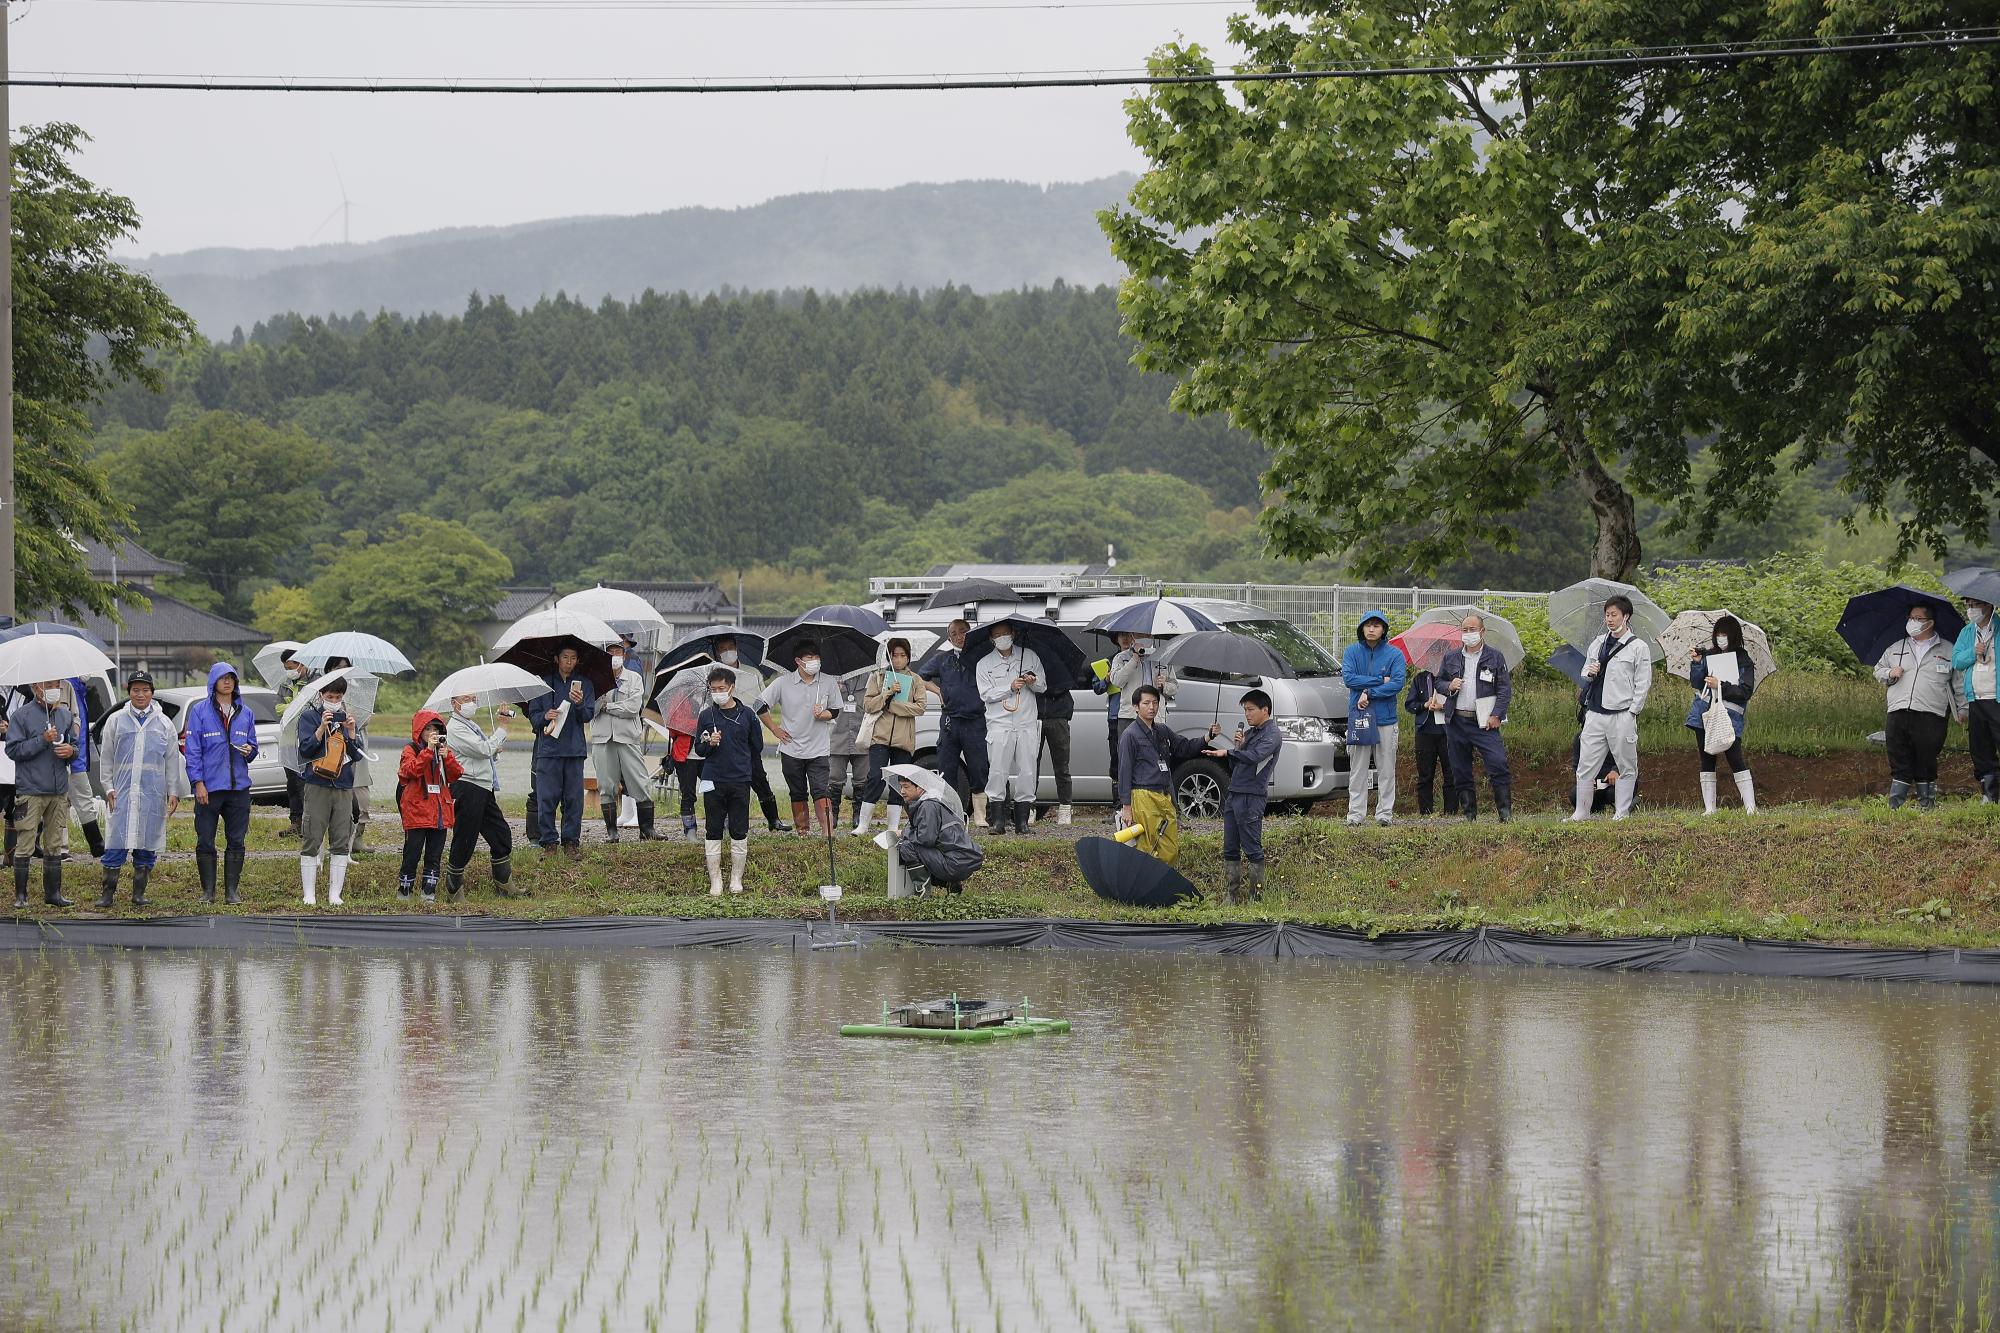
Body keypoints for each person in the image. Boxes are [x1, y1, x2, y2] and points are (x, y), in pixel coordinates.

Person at [97, 672, 185, 909]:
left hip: (152, 792)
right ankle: (107, 894)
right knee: (116, 842)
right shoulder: (116, 720)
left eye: (145, 690)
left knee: (147, 842)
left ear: (152, 693)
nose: (141, 695)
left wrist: (173, 791)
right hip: (122, 792)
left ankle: (139, 893)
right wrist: (108, 787)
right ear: (129, 693)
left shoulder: (163, 723)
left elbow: (171, 761)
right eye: (136, 690)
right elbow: (106, 758)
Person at [1571, 596, 1655, 821]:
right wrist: (1591, 672)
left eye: (1614, 614)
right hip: (1596, 712)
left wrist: (1633, 712)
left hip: (1622, 713)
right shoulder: (1598, 643)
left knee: (1627, 764)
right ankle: (1581, 812)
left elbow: (1643, 682)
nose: (1609, 619)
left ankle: (1622, 811)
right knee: (1586, 764)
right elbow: (1584, 672)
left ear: (1626, 616)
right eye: (1607, 615)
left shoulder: (1639, 647)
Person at [183, 661, 259, 904]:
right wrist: (198, 782)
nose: (227, 682)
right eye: (222, 677)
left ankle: (232, 892)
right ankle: (208, 892)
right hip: (210, 788)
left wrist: (250, 751)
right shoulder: (199, 711)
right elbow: (192, 750)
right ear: (213, 682)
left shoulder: (245, 713)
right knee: (205, 839)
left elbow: (253, 747)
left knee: (236, 840)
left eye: (232, 678)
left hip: (238, 788)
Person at [1116, 684, 1215, 866]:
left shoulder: (1161, 730)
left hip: (1164, 795)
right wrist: (1127, 807)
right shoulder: (1129, 735)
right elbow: (1124, 771)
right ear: (1136, 707)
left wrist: (1207, 737)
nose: (1152, 707)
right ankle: (1145, 890)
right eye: (1146, 703)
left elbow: (1184, 748)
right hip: (1143, 795)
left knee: (1169, 846)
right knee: (1148, 846)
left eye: (1155, 703)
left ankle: (1164, 886)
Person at [1203, 688, 1283, 902]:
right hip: (1235, 792)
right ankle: (1232, 894)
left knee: (1251, 846)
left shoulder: (1272, 734)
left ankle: (1256, 896)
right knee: (1230, 845)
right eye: (1245, 710)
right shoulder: (1250, 733)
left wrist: (1229, 751)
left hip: (1252, 795)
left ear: (1265, 710)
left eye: (1250, 710)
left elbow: (1256, 756)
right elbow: (1237, 763)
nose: (1247, 715)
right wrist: (1238, 746)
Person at [6, 680, 80, 908]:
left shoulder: (65, 715)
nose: (53, 689)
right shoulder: (21, 715)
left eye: (56, 684)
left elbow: (74, 746)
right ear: (36, 687)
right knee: (26, 841)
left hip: (58, 790)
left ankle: (53, 894)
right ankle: (21, 896)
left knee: (55, 842)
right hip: (31, 789)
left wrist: (71, 751)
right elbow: (13, 749)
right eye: (48, 685)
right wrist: (42, 740)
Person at [1874, 601, 1954, 810]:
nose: (1913, 622)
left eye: (1918, 619)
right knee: (1898, 756)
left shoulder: (1947, 649)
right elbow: (1878, 669)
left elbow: (1959, 683)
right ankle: (1896, 805)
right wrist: (1889, 673)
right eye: (1910, 618)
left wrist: (1963, 709)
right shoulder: (1897, 647)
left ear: (1930, 623)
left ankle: (1927, 804)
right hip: (1899, 710)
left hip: (1931, 712)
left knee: (1926, 758)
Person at [1436, 613, 1513, 822]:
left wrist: (1496, 714)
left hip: (1484, 721)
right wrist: (1449, 686)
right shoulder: (1451, 657)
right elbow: (1439, 682)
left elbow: (1505, 689)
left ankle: (1505, 813)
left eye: (1472, 629)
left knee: (1497, 763)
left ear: (1482, 632)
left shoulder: (1495, 657)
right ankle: (1470, 814)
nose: (1468, 634)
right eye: (1465, 630)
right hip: (1456, 721)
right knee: (1460, 768)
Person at [692, 666, 762, 895]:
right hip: (712, 779)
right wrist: (709, 743)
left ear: (732, 687)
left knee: (739, 828)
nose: (718, 692)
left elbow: (757, 746)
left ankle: (735, 879)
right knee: (713, 828)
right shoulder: (706, 716)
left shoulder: (748, 715)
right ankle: (716, 881)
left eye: (721, 688)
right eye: (713, 689)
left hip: (740, 779)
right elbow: (699, 750)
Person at [759, 640, 839, 839]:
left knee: (821, 789)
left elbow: (836, 710)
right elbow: (759, 705)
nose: (815, 662)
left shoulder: (828, 681)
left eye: (817, 658)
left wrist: (824, 714)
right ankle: (803, 830)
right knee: (797, 791)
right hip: (791, 748)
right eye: (809, 658)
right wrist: (775, 729)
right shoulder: (783, 682)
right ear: (798, 661)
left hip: (819, 747)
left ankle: (827, 832)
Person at [853, 639, 928, 838]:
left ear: (908, 657)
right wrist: (887, 694)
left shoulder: (916, 680)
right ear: (889, 656)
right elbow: (868, 705)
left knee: (899, 782)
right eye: (895, 655)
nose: (899, 659)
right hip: (880, 737)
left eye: (903, 655)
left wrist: (894, 706)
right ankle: (863, 825)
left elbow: (920, 707)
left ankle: (893, 827)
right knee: (875, 778)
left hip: (903, 740)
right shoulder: (877, 677)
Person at [921, 619, 991, 829]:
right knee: (946, 767)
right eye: (955, 633)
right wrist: (937, 691)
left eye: (963, 632)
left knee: (979, 767)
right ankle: (951, 814)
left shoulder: (982, 657)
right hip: (950, 721)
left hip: (975, 720)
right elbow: (921, 676)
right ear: (949, 637)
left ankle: (980, 814)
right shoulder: (942, 659)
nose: (960, 636)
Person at [528, 646, 598, 859]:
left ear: (578, 661)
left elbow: (587, 715)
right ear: (557, 658)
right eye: (565, 657)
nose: (569, 661)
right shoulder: (542, 684)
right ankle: (549, 842)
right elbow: (533, 716)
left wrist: (578, 704)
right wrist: (545, 716)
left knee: (573, 799)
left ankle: (571, 842)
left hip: (574, 749)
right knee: (547, 798)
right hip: (548, 750)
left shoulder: (585, 684)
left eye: (573, 658)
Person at [444, 693, 515, 899]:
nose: (471, 703)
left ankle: (504, 885)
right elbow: (483, 749)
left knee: (500, 834)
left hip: (483, 786)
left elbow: (484, 751)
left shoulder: (469, 724)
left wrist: (493, 748)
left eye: (473, 699)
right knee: (465, 838)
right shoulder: (454, 728)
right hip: (468, 786)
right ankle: (454, 890)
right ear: (454, 702)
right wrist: (502, 727)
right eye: (465, 699)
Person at [296, 674, 360, 905]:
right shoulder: (309, 717)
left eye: (338, 696)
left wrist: (351, 732)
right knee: (312, 836)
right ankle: (309, 894)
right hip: (317, 784)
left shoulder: (347, 719)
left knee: (341, 839)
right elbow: (305, 749)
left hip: (343, 785)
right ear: (321, 695)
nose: (334, 700)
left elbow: (356, 755)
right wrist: (321, 728)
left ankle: (335, 894)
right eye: (330, 696)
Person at [977, 625, 1046, 835]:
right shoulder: (984, 664)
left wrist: (1032, 682)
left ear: (1013, 634)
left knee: (1027, 770)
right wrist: (1009, 687)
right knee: (997, 770)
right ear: (991, 638)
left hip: (1026, 722)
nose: (1002, 638)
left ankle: (1022, 822)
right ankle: (997, 820)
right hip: (1000, 724)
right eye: (997, 635)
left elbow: (1043, 686)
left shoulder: (1030, 656)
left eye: (1005, 634)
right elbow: (985, 694)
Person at [1686, 614, 1757, 815]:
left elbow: (1745, 690)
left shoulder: (1743, 659)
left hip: (1730, 716)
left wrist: (1721, 686)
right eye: (1718, 634)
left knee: (1735, 757)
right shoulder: (1708, 655)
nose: (1720, 638)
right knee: (1706, 757)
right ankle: (1710, 809)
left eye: (1725, 634)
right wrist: (1698, 663)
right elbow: (1696, 683)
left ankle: (1750, 808)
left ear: (1733, 636)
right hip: (1704, 713)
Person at [1342, 611, 1407, 826]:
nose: (1371, 629)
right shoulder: (1351, 651)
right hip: (1359, 716)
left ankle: (1384, 814)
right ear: (1361, 628)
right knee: (1358, 768)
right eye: (1368, 625)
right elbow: (1349, 679)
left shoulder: (1394, 654)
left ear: (1384, 630)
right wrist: (1379, 680)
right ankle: (1355, 815)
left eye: (1377, 625)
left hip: (1386, 718)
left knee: (1386, 768)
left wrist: (1369, 692)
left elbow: (1397, 684)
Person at [395, 711, 463, 902]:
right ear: (419, 731)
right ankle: (404, 891)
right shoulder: (411, 749)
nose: (432, 733)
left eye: (436, 729)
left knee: (434, 854)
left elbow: (456, 774)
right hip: (417, 810)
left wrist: (446, 756)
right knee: (412, 853)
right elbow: (409, 771)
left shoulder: (442, 750)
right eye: (428, 729)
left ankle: (428, 893)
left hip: (439, 811)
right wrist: (427, 752)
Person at [592, 641, 656, 843]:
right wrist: (604, 704)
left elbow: (632, 708)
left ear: (625, 655)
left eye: (617, 651)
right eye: (609, 652)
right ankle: (612, 832)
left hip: (628, 736)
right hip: (603, 737)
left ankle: (647, 829)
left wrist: (608, 706)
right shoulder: (595, 679)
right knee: (606, 784)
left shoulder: (634, 678)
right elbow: (591, 709)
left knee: (639, 780)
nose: (614, 655)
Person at [320, 656, 378, 854]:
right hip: (331, 752)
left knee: (360, 793)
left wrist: (351, 716)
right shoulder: (322, 692)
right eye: (337, 667)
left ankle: (358, 838)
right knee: (332, 797)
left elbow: (367, 717)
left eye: (346, 667)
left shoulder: (359, 689)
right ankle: (336, 840)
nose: (343, 670)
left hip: (355, 746)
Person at [892, 773, 983, 894]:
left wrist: (904, 832)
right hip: (961, 860)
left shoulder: (928, 806)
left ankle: (922, 892)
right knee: (915, 846)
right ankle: (950, 883)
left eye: (906, 787)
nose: (902, 791)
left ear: (920, 788)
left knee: (908, 846)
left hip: (954, 863)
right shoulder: (936, 802)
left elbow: (926, 839)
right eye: (901, 786)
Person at [1953, 595, 1998, 804]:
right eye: (1968, 605)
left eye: (1975, 605)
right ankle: (1989, 793)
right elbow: (1956, 660)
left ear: (1988, 605)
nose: (1971, 610)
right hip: (1976, 699)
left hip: (1996, 698)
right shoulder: (1967, 632)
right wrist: (1973, 651)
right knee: (1980, 747)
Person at [1403, 662, 1458, 816]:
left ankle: (1451, 812)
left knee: (1451, 774)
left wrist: (1444, 707)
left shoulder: (1453, 681)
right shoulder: (1420, 679)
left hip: (1448, 732)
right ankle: (1425, 812)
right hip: (1425, 732)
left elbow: (1461, 704)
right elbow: (1409, 704)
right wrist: (1425, 705)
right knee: (1425, 775)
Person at [60, 679, 106, 861]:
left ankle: (96, 845)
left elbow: (80, 720)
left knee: (82, 798)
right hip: (61, 756)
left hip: (76, 755)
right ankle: (60, 848)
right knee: (58, 802)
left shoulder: (80, 690)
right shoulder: (62, 685)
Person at [1038, 612, 1075, 826]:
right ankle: (1030, 806)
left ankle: (1065, 807)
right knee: (1030, 764)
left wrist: (1045, 685)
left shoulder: (1065, 653)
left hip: (1059, 714)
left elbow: (1070, 681)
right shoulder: (1028, 652)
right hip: (1033, 715)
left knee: (1061, 765)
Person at [826, 669, 870, 830]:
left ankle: (858, 815)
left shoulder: (870, 677)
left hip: (862, 736)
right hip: (837, 736)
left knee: (862, 779)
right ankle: (833, 814)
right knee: (834, 778)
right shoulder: (829, 678)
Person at [276, 648, 313, 838]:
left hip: (308, 740)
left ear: (301, 664)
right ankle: (295, 821)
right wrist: (297, 706)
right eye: (285, 668)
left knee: (305, 783)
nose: (288, 671)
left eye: (290, 667)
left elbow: (312, 710)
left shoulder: (315, 683)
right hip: (289, 740)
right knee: (292, 783)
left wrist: (296, 708)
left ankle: (309, 823)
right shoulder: (285, 686)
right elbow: (279, 709)